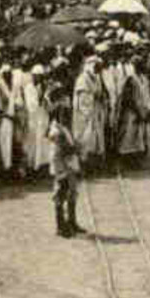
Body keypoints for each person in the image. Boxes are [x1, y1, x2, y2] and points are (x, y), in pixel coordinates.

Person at [45, 99, 84, 238]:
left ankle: (72, 222)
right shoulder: (56, 130)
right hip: (61, 165)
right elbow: (63, 149)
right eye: (64, 113)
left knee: (72, 192)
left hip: (69, 164)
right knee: (61, 193)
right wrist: (76, 148)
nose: (67, 116)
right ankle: (60, 226)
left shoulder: (64, 128)